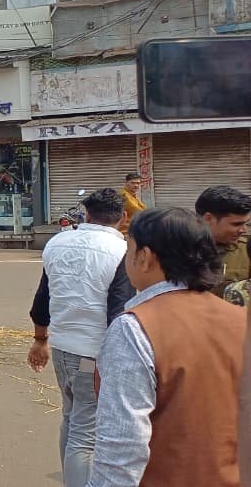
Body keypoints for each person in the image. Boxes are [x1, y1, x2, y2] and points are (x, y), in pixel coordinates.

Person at [87, 207, 243, 487]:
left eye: (129, 249)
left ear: (144, 258)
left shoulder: (135, 327)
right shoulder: (240, 319)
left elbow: (122, 446)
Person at [26, 188, 132, 487]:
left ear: (86, 214)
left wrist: (40, 339)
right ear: (123, 217)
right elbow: (118, 311)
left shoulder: (57, 242)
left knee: (72, 419)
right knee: (85, 432)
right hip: (94, 352)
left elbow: (41, 299)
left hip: (61, 347)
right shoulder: (121, 250)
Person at [195, 186, 251, 291]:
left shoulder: (246, 250)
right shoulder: (179, 251)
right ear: (208, 218)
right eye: (237, 224)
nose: (244, 230)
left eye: (246, 224)